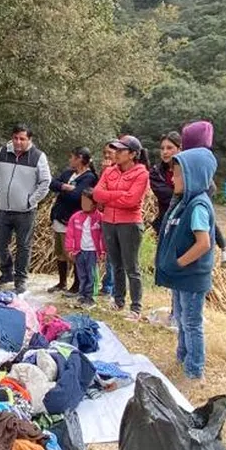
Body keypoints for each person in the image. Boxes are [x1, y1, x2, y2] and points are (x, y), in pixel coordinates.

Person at [155, 149, 219, 381]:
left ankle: (194, 368)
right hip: (181, 276)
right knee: (181, 319)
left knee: (192, 323)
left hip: (191, 276)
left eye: (179, 175)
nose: (173, 179)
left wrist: (178, 263)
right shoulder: (183, 203)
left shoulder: (198, 206)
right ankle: (182, 357)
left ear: (195, 177)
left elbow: (203, 243)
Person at [0, 124, 52, 294]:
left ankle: (20, 279)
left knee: (24, 246)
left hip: (25, 212)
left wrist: (31, 200)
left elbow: (45, 182)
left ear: (29, 140)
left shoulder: (38, 156)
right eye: (15, 138)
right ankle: (6, 273)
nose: (18, 142)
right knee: (0, 244)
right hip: (2, 209)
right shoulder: (2, 152)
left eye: (22, 139)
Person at [92, 135, 150, 320]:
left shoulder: (142, 173)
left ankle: (136, 308)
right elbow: (97, 194)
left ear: (132, 154)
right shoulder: (109, 171)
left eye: (120, 150)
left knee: (131, 266)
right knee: (115, 264)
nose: (116, 153)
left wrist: (109, 196)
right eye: (115, 149)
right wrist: (118, 195)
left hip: (130, 223)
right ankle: (118, 301)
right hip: (109, 221)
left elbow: (132, 200)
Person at [179, 120, 226, 268]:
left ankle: (223, 249)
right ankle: (224, 249)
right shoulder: (204, 155)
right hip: (204, 188)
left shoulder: (195, 157)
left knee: (202, 220)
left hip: (198, 191)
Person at [48, 147, 98, 294]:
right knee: (60, 252)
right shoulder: (69, 173)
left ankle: (77, 284)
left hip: (72, 220)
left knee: (72, 253)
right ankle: (62, 282)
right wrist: (65, 186)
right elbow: (52, 183)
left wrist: (65, 189)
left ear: (80, 158)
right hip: (59, 217)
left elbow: (77, 196)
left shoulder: (89, 177)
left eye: (72, 157)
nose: (69, 160)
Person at [64, 189, 105, 307]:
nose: (84, 205)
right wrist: (70, 249)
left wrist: (102, 251)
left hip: (93, 252)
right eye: (83, 201)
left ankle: (90, 296)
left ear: (95, 203)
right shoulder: (75, 217)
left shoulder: (100, 218)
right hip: (79, 251)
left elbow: (103, 236)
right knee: (81, 274)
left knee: (91, 274)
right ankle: (82, 295)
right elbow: (70, 234)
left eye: (87, 202)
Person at [149, 132, 180, 237]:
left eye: (169, 148)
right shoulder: (155, 171)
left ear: (179, 149)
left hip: (184, 220)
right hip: (163, 221)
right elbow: (166, 196)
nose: (165, 152)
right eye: (162, 149)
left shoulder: (188, 170)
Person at [99, 146, 116, 296]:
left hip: (121, 219)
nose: (106, 156)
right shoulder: (104, 173)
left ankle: (113, 287)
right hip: (106, 217)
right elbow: (99, 197)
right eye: (104, 153)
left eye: (109, 153)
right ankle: (107, 285)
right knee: (109, 253)